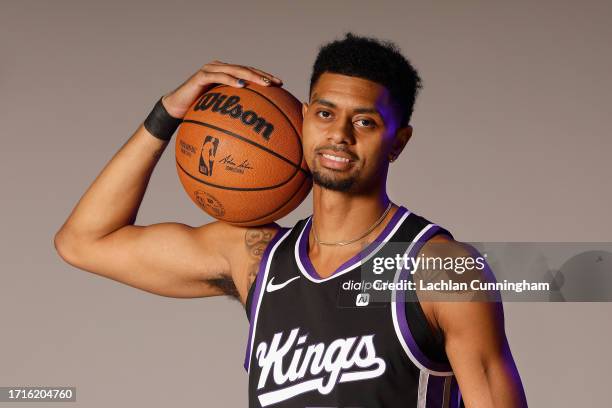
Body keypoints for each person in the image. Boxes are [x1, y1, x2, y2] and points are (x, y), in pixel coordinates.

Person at [54, 33, 528, 407]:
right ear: (302, 120)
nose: (338, 135)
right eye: (325, 113)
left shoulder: (442, 270)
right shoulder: (257, 257)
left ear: (398, 141)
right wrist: (169, 113)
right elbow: (84, 241)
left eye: (364, 122)